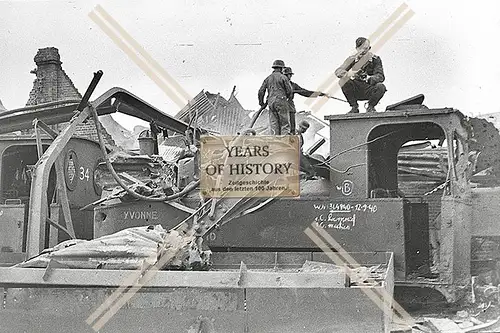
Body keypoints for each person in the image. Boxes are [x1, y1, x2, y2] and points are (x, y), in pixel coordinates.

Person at [335, 37, 386, 113]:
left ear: (369, 48)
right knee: (343, 81)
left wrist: (369, 78)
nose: (363, 51)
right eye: (360, 48)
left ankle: (371, 107)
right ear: (357, 49)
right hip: (356, 88)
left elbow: (380, 76)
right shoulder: (351, 59)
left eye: (365, 48)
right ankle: (354, 107)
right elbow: (338, 72)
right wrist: (350, 74)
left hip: (369, 87)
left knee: (381, 87)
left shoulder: (375, 59)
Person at [283, 67, 329, 134]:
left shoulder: (293, 85)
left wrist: (319, 94)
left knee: (291, 127)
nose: (288, 77)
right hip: (281, 106)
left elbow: (305, 92)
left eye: (289, 75)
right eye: (286, 75)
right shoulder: (279, 84)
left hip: (289, 106)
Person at [258, 60, 293, 135]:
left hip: (271, 103)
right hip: (281, 101)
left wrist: (261, 103)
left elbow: (261, 91)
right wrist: (287, 97)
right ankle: (284, 141)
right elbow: (289, 91)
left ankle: (275, 141)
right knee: (284, 123)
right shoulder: (283, 77)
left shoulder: (268, 78)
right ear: (281, 68)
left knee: (274, 124)